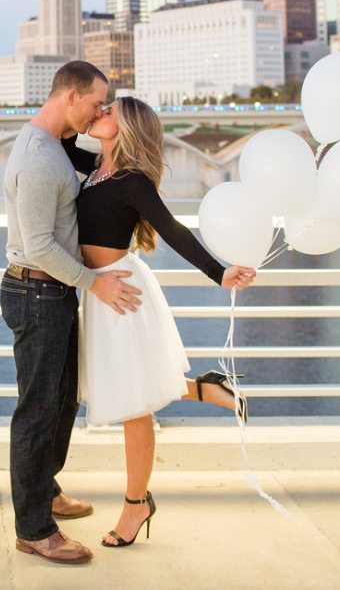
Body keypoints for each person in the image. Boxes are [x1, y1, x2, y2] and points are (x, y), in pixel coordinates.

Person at [61, 96, 256, 549]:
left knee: (132, 404)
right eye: (100, 106)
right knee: (125, 385)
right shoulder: (95, 167)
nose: (100, 113)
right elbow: (61, 135)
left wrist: (219, 271)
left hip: (122, 293)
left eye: (108, 111)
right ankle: (207, 388)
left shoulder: (132, 180)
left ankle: (136, 506)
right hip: (99, 290)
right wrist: (75, 105)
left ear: (127, 127)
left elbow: (172, 228)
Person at [1, 62, 144, 566]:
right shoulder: (41, 160)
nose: (102, 111)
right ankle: (35, 528)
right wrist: (95, 282)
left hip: (53, 294)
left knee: (63, 403)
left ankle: (44, 489)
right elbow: (38, 244)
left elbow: (106, 161)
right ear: (69, 96)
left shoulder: (56, 146)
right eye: (97, 103)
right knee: (39, 411)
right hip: (38, 291)